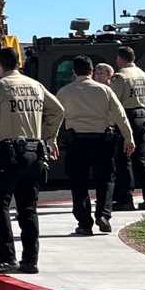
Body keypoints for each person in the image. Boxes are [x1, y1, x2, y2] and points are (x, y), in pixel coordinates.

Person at [0, 47, 64, 274]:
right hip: (35, 151)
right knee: (28, 208)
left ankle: (6, 256)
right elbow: (58, 110)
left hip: (9, 153)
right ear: (19, 63)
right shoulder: (36, 86)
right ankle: (30, 260)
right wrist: (49, 137)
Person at [56, 56, 133, 235]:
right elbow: (120, 115)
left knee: (78, 182)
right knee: (106, 179)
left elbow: (56, 118)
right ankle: (103, 215)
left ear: (74, 72)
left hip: (76, 141)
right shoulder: (105, 90)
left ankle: (84, 223)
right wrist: (129, 138)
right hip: (102, 139)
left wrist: (52, 140)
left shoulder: (65, 92)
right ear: (91, 71)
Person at [109, 46, 145, 211]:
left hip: (126, 117)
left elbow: (113, 102)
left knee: (123, 160)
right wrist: (140, 105)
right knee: (140, 159)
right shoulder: (143, 74)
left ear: (120, 58)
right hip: (141, 116)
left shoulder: (120, 77)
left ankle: (126, 199)